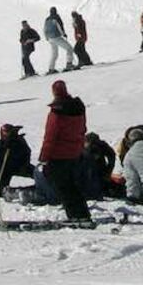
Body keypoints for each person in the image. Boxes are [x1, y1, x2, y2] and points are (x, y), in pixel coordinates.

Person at [38, 80, 91, 224]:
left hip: (58, 154)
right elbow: (83, 129)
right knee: (71, 185)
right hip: (74, 152)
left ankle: (75, 215)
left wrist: (44, 156)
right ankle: (82, 213)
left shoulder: (56, 112)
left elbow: (50, 136)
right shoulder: (78, 107)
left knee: (62, 186)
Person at [0, 123, 33, 197]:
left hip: (21, 166)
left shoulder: (19, 141)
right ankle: (10, 192)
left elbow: (27, 154)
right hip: (4, 171)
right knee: (1, 192)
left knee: (39, 174)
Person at [81, 131, 117, 198]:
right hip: (88, 170)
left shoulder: (101, 145)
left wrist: (108, 170)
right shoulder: (81, 146)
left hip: (99, 170)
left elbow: (111, 155)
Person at [42, 9, 74, 74]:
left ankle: (51, 69)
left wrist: (46, 37)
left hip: (50, 38)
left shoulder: (47, 19)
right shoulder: (56, 18)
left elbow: (44, 29)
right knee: (69, 48)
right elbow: (60, 26)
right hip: (56, 37)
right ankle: (69, 64)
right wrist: (63, 34)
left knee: (54, 53)